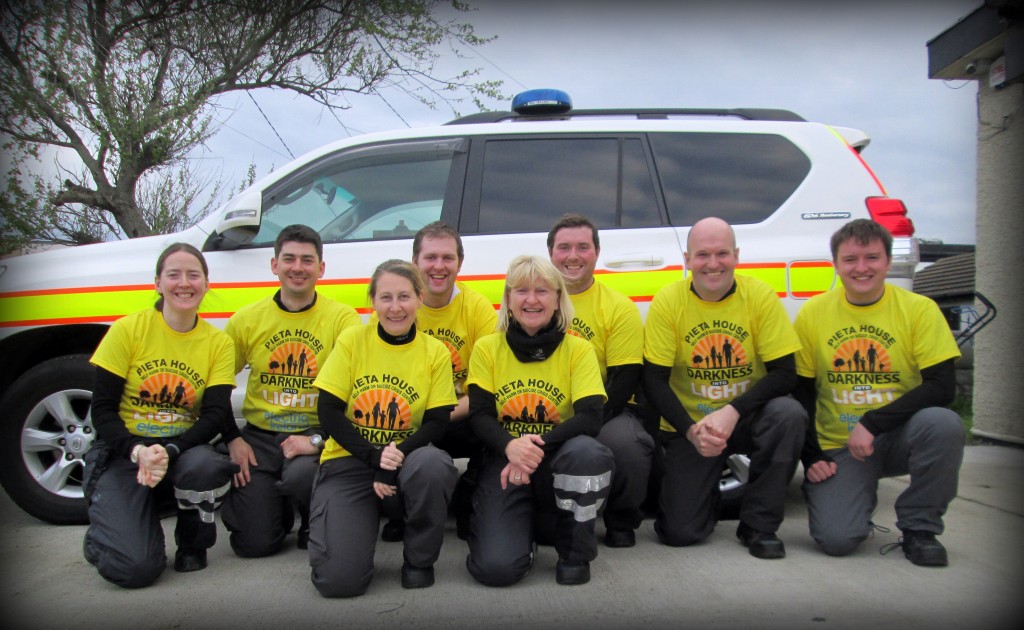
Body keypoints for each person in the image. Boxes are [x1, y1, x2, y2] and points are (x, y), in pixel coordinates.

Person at [795, 219, 964, 566]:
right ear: (836, 265)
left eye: (872, 258)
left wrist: (873, 422)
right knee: (836, 539)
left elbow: (942, 386)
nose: (861, 268)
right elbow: (801, 392)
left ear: (888, 262)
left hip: (900, 436)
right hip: (839, 445)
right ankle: (852, 501)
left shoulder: (919, 310)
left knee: (943, 423)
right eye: (850, 259)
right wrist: (812, 456)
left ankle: (920, 528)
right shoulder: (813, 312)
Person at [643, 217, 805, 559]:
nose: (713, 264)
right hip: (693, 426)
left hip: (747, 416)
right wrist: (689, 432)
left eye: (722, 253)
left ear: (737, 255)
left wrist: (733, 411)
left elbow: (785, 373)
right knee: (679, 533)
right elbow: (653, 380)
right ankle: (700, 498)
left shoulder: (759, 296)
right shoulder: (668, 301)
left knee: (788, 414)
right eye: (702, 255)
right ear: (687, 260)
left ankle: (758, 526)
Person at [83, 243, 239, 588]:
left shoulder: (218, 343)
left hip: (181, 450)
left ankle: (193, 544)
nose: (184, 283)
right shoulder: (127, 330)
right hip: (128, 451)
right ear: (157, 283)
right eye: (174, 275)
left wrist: (170, 451)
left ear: (207, 284)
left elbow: (214, 414)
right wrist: (138, 451)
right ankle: (106, 532)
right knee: (135, 570)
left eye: (193, 275)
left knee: (208, 466)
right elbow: (103, 410)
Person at [308, 259, 458, 597]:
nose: (395, 307)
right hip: (349, 461)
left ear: (420, 298)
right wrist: (373, 457)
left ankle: (419, 561)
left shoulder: (435, 352)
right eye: (385, 298)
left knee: (434, 465)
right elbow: (328, 411)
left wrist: (393, 458)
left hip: (407, 463)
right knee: (338, 583)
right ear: (372, 301)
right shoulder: (352, 341)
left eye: (404, 297)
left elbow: (438, 422)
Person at [465, 255, 615, 587]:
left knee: (588, 453)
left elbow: (591, 418)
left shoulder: (578, 350)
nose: (531, 300)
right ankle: (521, 535)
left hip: (555, 459)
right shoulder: (488, 348)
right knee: (495, 570)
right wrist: (510, 447)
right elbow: (479, 416)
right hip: (504, 462)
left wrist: (532, 448)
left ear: (559, 299)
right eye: (521, 291)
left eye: (542, 291)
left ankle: (574, 552)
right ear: (507, 299)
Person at [221, 225, 361, 556]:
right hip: (260, 438)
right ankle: (272, 507)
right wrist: (232, 439)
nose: (298, 268)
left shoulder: (343, 320)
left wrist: (320, 440)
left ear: (321, 269)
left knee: (301, 475)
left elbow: (355, 392)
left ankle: (313, 516)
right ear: (274, 265)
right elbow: (214, 388)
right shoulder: (246, 320)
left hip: (314, 434)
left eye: (307, 260)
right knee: (254, 545)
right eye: (289, 259)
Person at [378, 221, 497, 542]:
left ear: (460, 262)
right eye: (430, 257)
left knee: (494, 428)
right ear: (414, 262)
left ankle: (471, 496)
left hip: (461, 413)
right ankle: (400, 508)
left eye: (448, 258)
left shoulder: (478, 309)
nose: (439, 266)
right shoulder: (401, 306)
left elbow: (487, 388)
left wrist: (439, 417)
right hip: (409, 415)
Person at [547, 213, 651, 548]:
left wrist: (583, 423)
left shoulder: (618, 308)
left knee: (626, 444)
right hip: (544, 405)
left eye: (582, 247)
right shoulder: (536, 299)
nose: (572, 256)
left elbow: (624, 380)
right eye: (564, 247)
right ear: (551, 253)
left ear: (597, 252)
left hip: (602, 407)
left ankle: (621, 521)